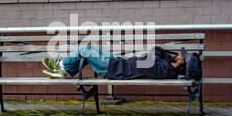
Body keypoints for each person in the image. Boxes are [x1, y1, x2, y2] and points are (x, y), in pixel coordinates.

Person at [42, 44, 186, 80]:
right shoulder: (167, 63)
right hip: (119, 63)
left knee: (85, 51)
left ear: (181, 61)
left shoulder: (164, 70)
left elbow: (144, 65)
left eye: (180, 54)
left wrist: (154, 58)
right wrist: (161, 55)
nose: (178, 53)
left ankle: (61, 66)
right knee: (92, 47)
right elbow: (156, 49)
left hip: (115, 70)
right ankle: (62, 69)